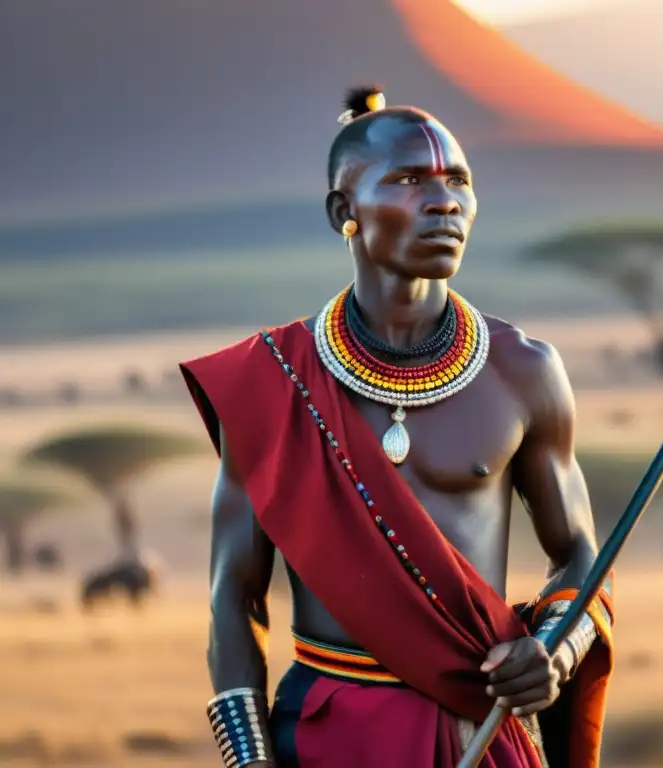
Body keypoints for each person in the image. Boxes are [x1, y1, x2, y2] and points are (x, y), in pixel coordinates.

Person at [180, 86, 614, 768]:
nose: (444, 201)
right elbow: (233, 598)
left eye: (459, 182)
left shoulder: (525, 370)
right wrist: (250, 761)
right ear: (343, 212)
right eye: (410, 180)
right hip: (325, 735)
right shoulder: (271, 383)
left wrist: (557, 649)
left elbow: (583, 557)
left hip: (481, 728)